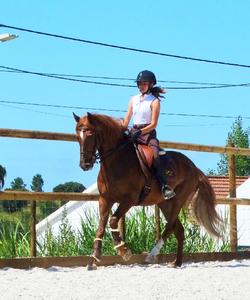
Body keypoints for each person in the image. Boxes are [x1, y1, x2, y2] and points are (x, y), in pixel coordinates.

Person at [122, 70, 175, 200]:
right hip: (133, 131)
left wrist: (141, 132)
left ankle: (164, 186)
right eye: (139, 83)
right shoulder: (133, 99)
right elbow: (127, 118)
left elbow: (153, 124)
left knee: (155, 156)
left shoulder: (154, 101)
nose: (141, 86)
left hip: (148, 134)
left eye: (144, 83)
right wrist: (122, 128)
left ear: (151, 84)